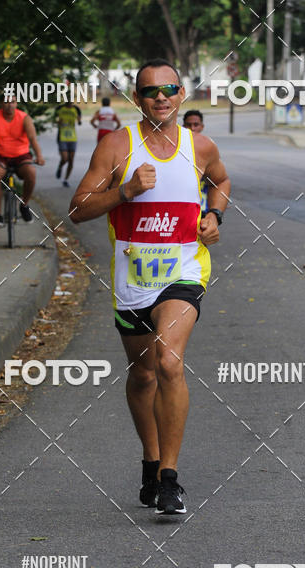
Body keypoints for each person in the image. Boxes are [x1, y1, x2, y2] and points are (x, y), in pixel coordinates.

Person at [69, 59, 231, 515]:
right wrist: (123, 192)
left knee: (169, 361)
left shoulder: (200, 146)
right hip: (134, 281)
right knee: (141, 374)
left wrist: (215, 216)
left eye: (170, 89)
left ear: (182, 96)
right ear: (137, 99)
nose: (161, 97)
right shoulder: (117, 147)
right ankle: (150, 459)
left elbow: (220, 181)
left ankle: (169, 480)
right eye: (150, 91)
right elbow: (78, 209)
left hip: (184, 272)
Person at [0, 95, 45, 227]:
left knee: (31, 172)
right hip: (0, 156)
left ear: (16, 103)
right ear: (1, 103)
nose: (10, 105)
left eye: (13, 102)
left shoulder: (24, 118)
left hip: (21, 155)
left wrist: (39, 156)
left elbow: (32, 138)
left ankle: (24, 205)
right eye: (6, 102)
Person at [183, 109, 208, 216]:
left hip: (203, 208)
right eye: (189, 125)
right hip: (182, 206)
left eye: (196, 125)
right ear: (183, 126)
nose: (192, 128)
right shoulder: (176, 148)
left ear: (202, 126)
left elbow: (219, 181)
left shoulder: (209, 148)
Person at [56, 98, 82, 186]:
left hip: (72, 138)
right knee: (65, 158)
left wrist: (79, 119)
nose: (71, 102)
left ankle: (65, 180)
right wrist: (58, 122)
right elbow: (54, 120)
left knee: (71, 160)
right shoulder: (60, 109)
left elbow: (79, 122)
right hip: (62, 137)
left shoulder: (76, 109)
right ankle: (60, 166)